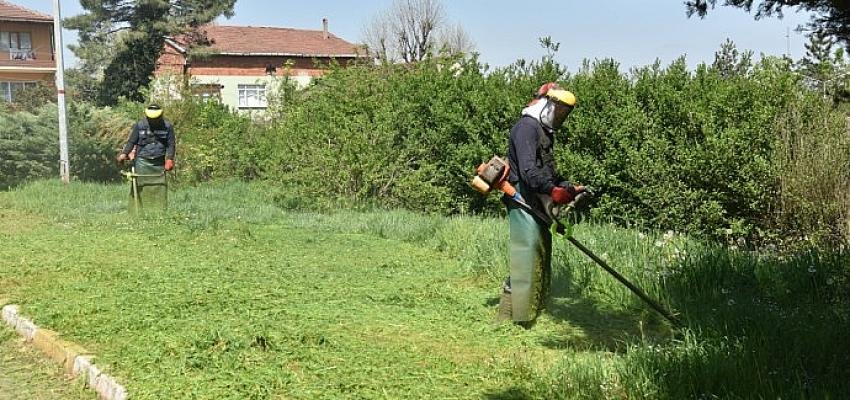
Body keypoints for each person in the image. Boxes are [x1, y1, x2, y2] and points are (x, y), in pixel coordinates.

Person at [497, 83, 585, 326]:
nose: (560, 117)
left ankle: (531, 309)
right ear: (545, 103)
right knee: (525, 254)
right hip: (521, 197)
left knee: (539, 252)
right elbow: (527, 171)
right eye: (558, 110)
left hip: (536, 199)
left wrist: (567, 186)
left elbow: (548, 171)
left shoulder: (544, 132)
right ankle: (514, 318)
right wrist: (552, 191)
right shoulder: (526, 128)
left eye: (564, 113)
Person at [116, 104, 176, 211]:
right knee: (140, 187)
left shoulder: (168, 127)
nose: (153, 121)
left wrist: (169, 159)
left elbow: (171, 144)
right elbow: (132, 141)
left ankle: (159, 210)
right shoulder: (139, 125)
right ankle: (138, 210)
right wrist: (124, 154)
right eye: (151, 118)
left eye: (156, 118)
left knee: (159, 186)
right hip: (142, 161)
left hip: (159, 163)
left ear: (160, 115)